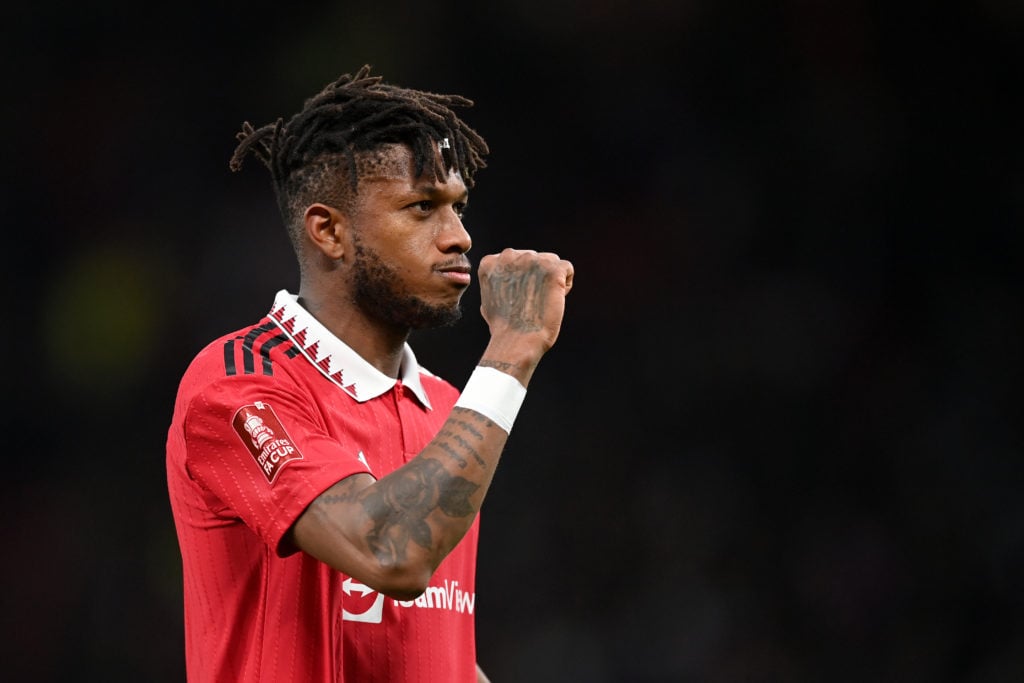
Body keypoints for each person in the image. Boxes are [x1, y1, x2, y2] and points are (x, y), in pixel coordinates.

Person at [165, 64, 574, 683]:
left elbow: (438, 653)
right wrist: (513, 349)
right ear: (329, 231)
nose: (459, 236)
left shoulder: (447, 408)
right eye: (421, 208)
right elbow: (391, 552)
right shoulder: (237, 387)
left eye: (458, 207)